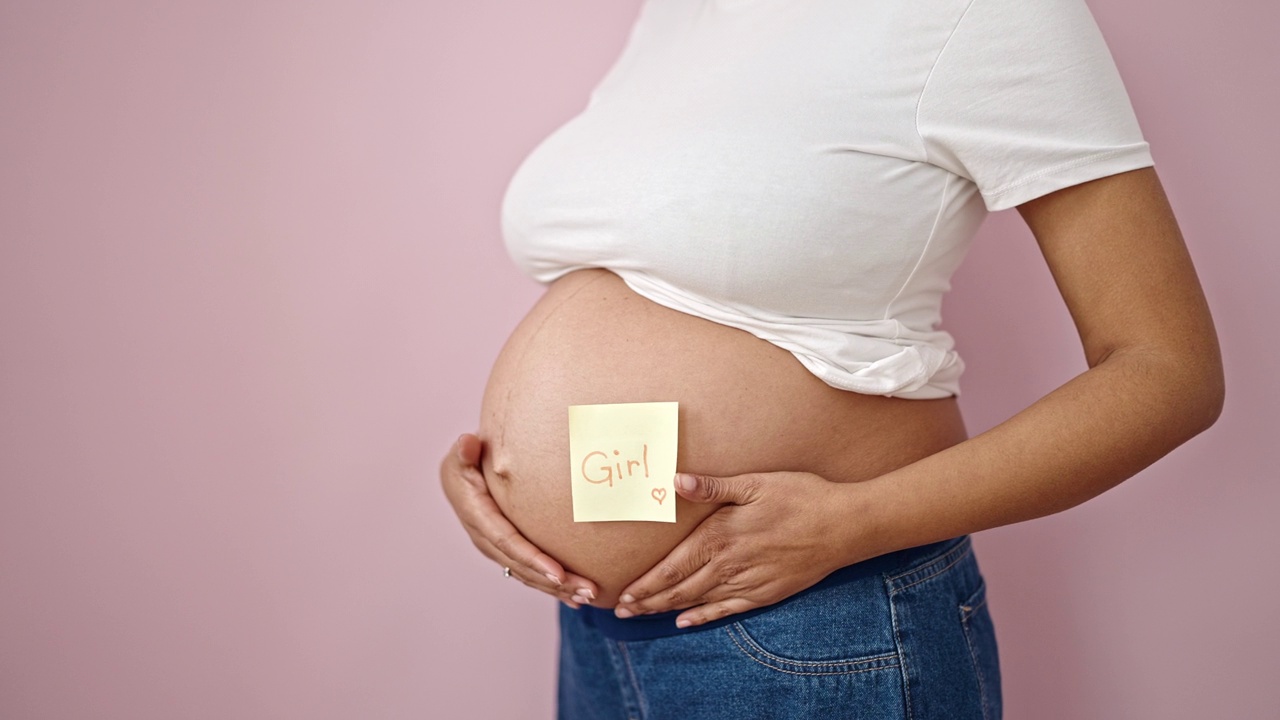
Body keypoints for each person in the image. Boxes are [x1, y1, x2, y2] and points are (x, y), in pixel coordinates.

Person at [440, 0, 1224, 717]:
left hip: (815, 628)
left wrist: (851, 522)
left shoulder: (986, 15)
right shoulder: (677, 16)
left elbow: (1167, 369)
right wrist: (499, 475)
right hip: (596, 636)